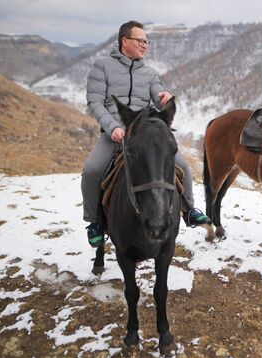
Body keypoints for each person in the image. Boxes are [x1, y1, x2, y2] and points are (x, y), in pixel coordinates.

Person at [81, 20, 210, 248]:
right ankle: (95, 223)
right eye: (140, 40)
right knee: (91, 171)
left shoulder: (150, 73)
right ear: (125, 41)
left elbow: (158, 96)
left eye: (146, 41)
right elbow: (95, 102)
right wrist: (113, 127)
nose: (145, 45)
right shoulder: (102, 67)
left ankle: (188, 210)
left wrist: (164, 99)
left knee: (183, 166)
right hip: (115, 134)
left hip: (144, 135)